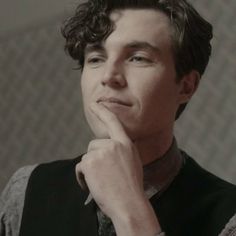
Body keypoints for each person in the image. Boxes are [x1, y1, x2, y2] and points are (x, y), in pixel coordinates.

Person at [0, 0, 236, 235]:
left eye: (138, 58)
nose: (109, 75)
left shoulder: (229, 217)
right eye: (95, 59)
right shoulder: (27, 191)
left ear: (186, 86)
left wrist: (129, 208)